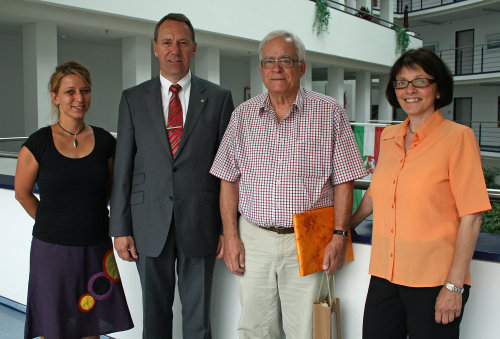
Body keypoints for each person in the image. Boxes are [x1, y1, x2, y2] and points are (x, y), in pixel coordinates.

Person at [210, 30, 366, 339]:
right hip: (253, 238)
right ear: (261, 68)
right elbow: (228, 180)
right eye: (269, 61)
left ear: (301, 67)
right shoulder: (243, 116)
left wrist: (339, 234)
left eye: (285, 60)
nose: (276, 69)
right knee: (255, 329)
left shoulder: (329, 111)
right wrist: (230, 235)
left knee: (307, 329)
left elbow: (345, 181)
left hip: (309, 239)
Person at [350, 48, 492, 339]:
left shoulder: (458, 138)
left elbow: (472, 216)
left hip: (435, 281)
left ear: (438, 89)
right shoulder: (390, 137)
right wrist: (342, 228)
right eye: (401, 82)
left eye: (420, 81)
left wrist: (453, 286)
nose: (409, 90)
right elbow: (376, 193)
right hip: (385, 275)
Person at [109, 13, 234, 339]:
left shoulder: (219, 98)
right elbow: (123, 167)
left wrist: (226, 227)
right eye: (166, 42)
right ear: (155, 48)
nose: (174, 49)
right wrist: (120, 228)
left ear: (194, 48)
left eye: (182, 42)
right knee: (155, 318)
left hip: (201, 224)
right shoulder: (132, 99)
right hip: (147, 223)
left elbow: (229, 170)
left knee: (199, 321)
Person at [15, 61, 133, 339]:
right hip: (51, 251)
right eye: (70, 92)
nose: (79, 98)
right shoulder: (38, 143)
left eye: (85, 90)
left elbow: (112, 189)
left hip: (95, 246)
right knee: (55, 327)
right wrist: (53, 219)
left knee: (91, 324)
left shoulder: (105, 141)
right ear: (55, 97)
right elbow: (22, 193)